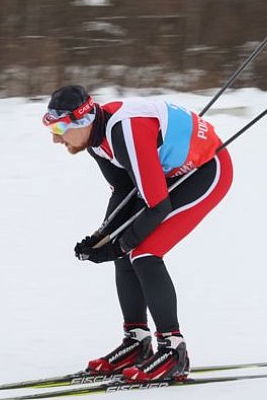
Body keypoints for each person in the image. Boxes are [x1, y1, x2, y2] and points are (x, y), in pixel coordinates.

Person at [42, 85, 234, 382]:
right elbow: (124, 189)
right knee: (123, 250)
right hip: (168, 173)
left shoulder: (125, 132)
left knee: (144, 254)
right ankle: (136, 341)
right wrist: (103, 238)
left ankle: (173, 350)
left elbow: (157, 205)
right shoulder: (96, 139)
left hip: (206, 169)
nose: (55, 138)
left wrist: (119, 244)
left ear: (82, 121)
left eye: (58, 128)